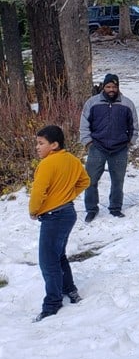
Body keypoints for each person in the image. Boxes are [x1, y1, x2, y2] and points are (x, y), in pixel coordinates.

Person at [28, 125, 90, 322]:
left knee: (48, 261)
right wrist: (67, 196)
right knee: (58, 255)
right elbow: (85, 181)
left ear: (54, 145)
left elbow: (38, 192)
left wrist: (33, 210)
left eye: (41, 143)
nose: (37, 147)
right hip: (68, 213)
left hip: (54, 216)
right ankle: (69, 290)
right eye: (37, 143)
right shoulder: (72, 160)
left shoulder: (47, 164)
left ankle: (52, 303)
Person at [80, 73, 139, 222]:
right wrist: (88, 142)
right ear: (103, 87)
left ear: (118, 87)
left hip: (119, 149)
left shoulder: (127, 104)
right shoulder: (92, 103)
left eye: (114, 86)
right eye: (108, 86)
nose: (111, 89)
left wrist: (130, 142)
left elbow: (134, 126)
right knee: (90, 180)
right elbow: (84, 124)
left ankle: (115, 208)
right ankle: (91, 209)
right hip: (97, 147)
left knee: (118, 181)